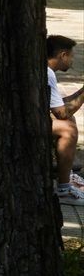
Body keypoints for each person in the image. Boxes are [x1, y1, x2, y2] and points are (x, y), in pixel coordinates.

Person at [48, 35, 84, 202]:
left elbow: (58, 105)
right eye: (71, 56)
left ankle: (67, 176)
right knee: (68, 129)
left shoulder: (47, 71)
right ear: (63, 55)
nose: (72, 61)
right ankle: (63, 189)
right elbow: (61, 113)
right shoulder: (47, 73)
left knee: (71, 121)